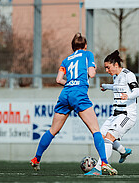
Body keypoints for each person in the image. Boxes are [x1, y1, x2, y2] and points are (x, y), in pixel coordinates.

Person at [30, 33, 116, 175]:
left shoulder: (66, 60)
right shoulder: (88, 54)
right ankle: (105, 162)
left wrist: (70, 82)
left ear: (72, 47)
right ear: (85, 45)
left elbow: (58, 80)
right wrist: (87, 74)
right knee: (95, 130)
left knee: (52, 130)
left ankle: (36, 159)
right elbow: (92, 73)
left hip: (65, 94)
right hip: (78, 94)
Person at [85, 50, 139, 175]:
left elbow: (137, 92)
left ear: (116, 65)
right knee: (101, 136)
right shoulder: (116, 76)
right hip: (115, 115)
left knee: (109, 137)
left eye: (108, 67)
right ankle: (122, 150)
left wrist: (129, 96)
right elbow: (117, 87)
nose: (106, 70)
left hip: (127, 115)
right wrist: (106, 86)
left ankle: (98, 168)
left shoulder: (128, 74)